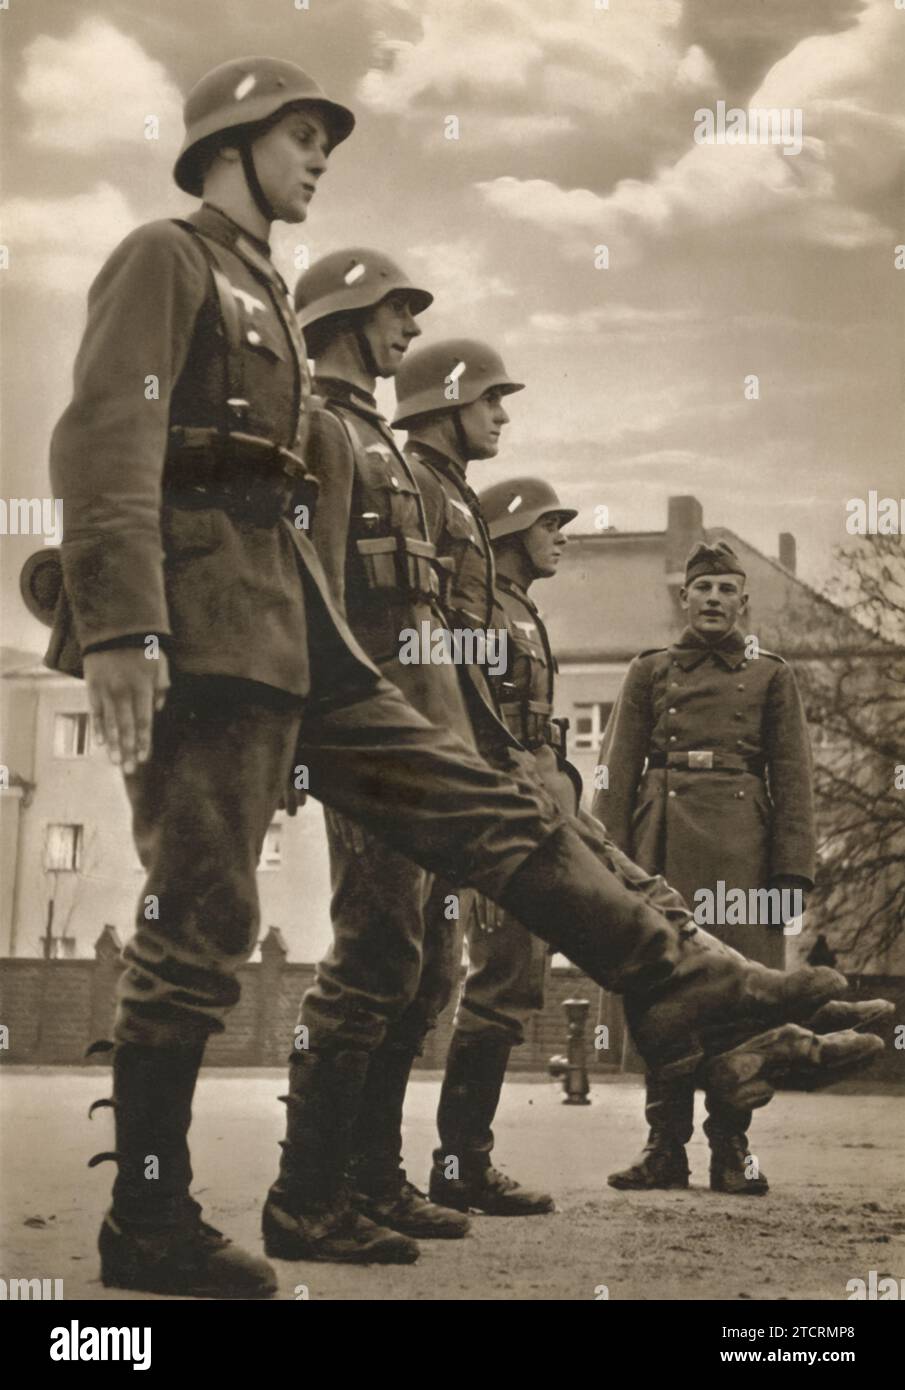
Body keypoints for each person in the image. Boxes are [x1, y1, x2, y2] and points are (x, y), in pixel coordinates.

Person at [41, 58, 881, 1295]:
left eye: (325, 136)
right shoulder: (166, 260)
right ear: (229, 141)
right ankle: (147, 1221)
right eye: (300, 134)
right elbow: (105, 433)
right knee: (200, 923)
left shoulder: (260, 284)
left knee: (488, 809)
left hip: (299, 628)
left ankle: (684, 986)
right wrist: (122, 629)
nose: (320, 155)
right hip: (208, 633)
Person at [597, 541, 890, 1195]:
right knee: (662, 995)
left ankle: (730, 1150)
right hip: (659, 853)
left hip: (744, 861)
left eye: (726, 589)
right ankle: (662, 1148)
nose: (712, 599)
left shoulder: (770, 675)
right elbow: (615, 777)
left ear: (742, 600)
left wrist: (791, 873)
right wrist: (605, 867)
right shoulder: (648, 672)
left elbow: (794, 778)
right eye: (701, 588)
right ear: (683, 597)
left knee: (746, 1004)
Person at [290, 247, 470, 1246]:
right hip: (366, 736)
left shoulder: (377, 439)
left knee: (419, 967)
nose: (409, 324)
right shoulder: (320, 427)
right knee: (370, 960)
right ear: (348, 314)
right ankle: (307, 1194)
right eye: (396, 308)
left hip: (419, 736)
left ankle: (370, 1178)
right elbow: (310, 588)